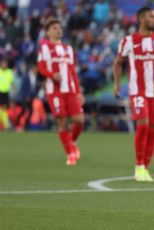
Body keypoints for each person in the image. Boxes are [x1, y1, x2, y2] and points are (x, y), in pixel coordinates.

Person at [113, 7, 154, 182]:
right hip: (137, 90)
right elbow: (118, 63)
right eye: (151, 16)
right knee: (143, 125)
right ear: (141, 19)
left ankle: (145, 169)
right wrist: (117, 85)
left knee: (152, 129)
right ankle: (139, 166)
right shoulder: (128, 41)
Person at [37, 19, 85, 166]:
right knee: (62, 122)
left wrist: (78, 91)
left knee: (79, 120)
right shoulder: (44, 48)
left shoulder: (68, 49)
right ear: (48, 32)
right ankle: (70, 154)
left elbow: (72, 71)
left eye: (59, 28)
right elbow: (41, 67)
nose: (58, 30)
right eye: (54, 28)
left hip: (69, 90)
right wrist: (52, 75)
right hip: (54, 91)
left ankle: (73, 141)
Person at [0, 58, 14, 130]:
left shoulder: (9, 72)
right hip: (0, 91)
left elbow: (12, 82)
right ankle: (6, 125)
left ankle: (5, 125)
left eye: (5, 63)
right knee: (2, 108)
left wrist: (14, 90)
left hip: (6, 92)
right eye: (3, 63)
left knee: (4, 108)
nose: (4, 65)